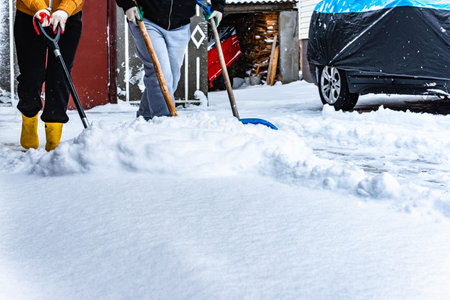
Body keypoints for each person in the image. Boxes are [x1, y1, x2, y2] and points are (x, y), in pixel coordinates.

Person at [116, 0, 225, 120]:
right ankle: (165, 121)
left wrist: (218, 7)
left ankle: (145, 118)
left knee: (171, 77)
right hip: (147, 19)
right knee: (160, 73)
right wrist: (128, 4)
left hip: (180, 25)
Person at [15, 0, 84, 151]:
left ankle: (53, 136)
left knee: (60, 77)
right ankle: (29, 120)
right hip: (30, 15)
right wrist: (39, 8)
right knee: (31, 75)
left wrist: (65, 10)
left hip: (67, 18)